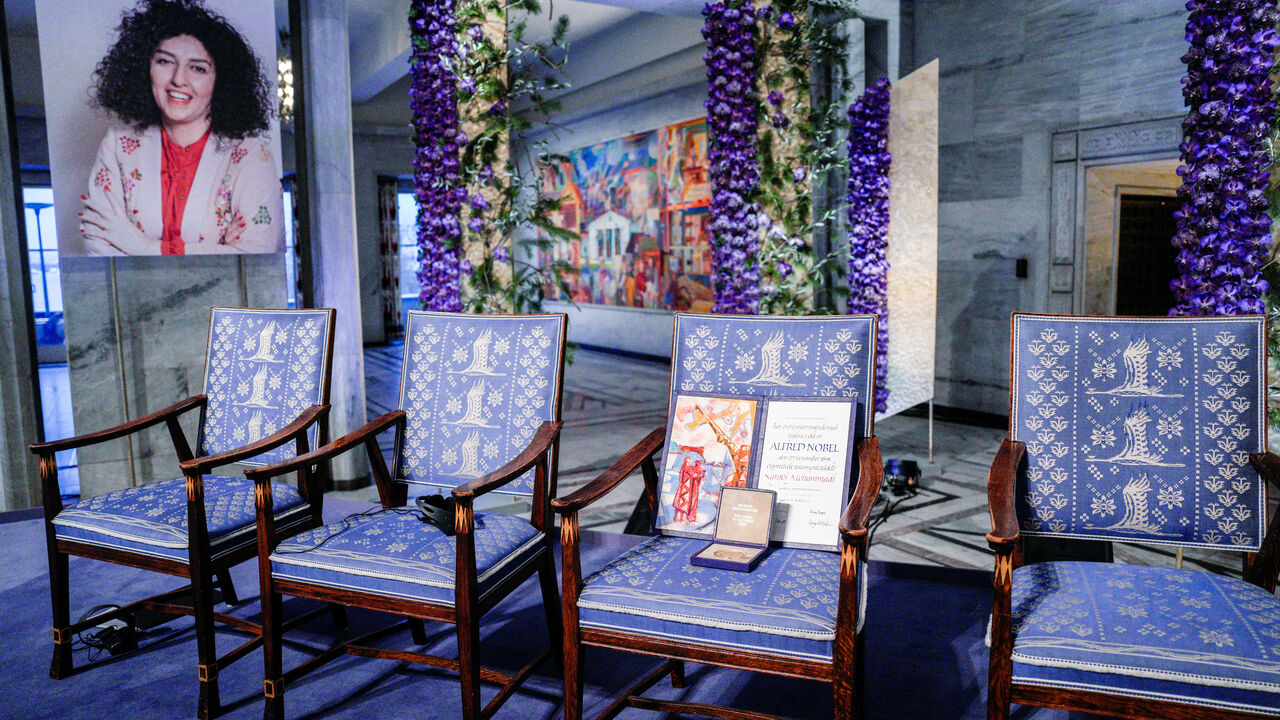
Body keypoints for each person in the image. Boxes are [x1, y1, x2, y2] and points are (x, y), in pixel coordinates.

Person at [79, 0, 282, 255]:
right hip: (137, 297)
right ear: (145, 67)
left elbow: (256, 257)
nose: (178, 79)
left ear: (221, 81)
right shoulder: (117, 147)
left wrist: (140, 245)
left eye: (197, 68)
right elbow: (97, 245)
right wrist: (219, 251)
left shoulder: (251, 155)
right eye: (165, 61)